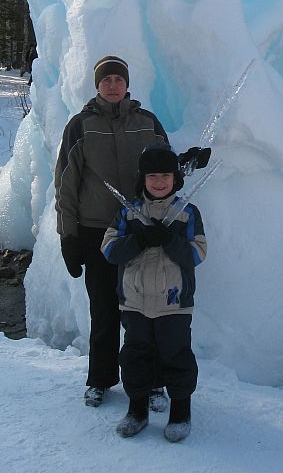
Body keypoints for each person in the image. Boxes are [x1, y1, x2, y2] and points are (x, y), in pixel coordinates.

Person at [55, 55, 168, 408]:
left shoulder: (147, 122)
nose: (113, 85)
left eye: (119, 79)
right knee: (104, 311)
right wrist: (68, 237)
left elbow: (165, 170)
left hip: (140, 232)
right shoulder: (81, 125)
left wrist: (188, 161)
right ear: (97, 85)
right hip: (96, 233)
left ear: (127, 84)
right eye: (107, 80)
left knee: (145, 312)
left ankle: (152, 382)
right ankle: (100, 380)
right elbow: (66, 185)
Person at [101, 143, 207, 442]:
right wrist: (139, 240)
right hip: (134, 301)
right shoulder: (128, 213)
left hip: (174, 301)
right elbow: (109, 249)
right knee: (135, 356)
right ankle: (137, 410)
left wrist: (170, 240)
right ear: (142, 179)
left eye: (165, 176)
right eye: (152, 176)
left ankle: (181, 411)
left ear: (175, 178)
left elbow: (198, 253)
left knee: (176, 354)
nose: (159, 182)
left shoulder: (187, 213)